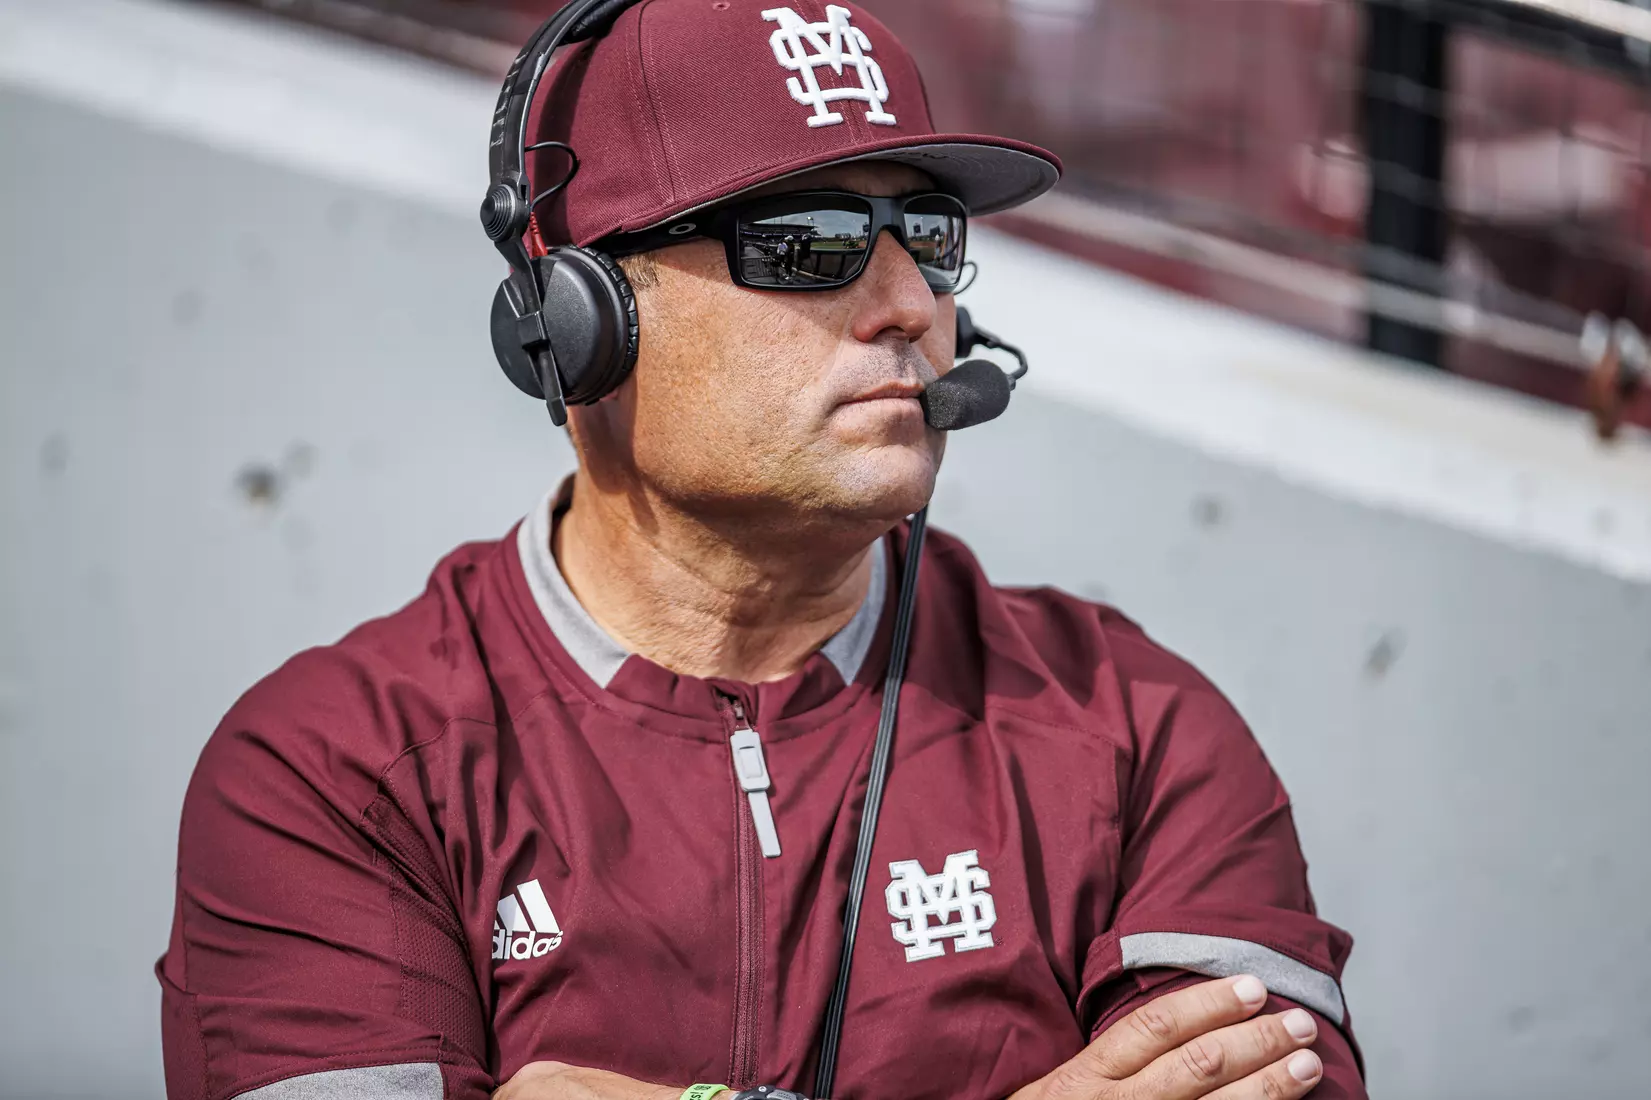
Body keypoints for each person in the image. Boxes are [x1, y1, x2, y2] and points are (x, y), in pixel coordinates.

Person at [157, 3, 1365, 1099]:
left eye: (928, 236)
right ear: (576, 324)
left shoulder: (1135, 724)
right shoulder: (332, 769)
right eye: (808, 240)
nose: (908, 304)